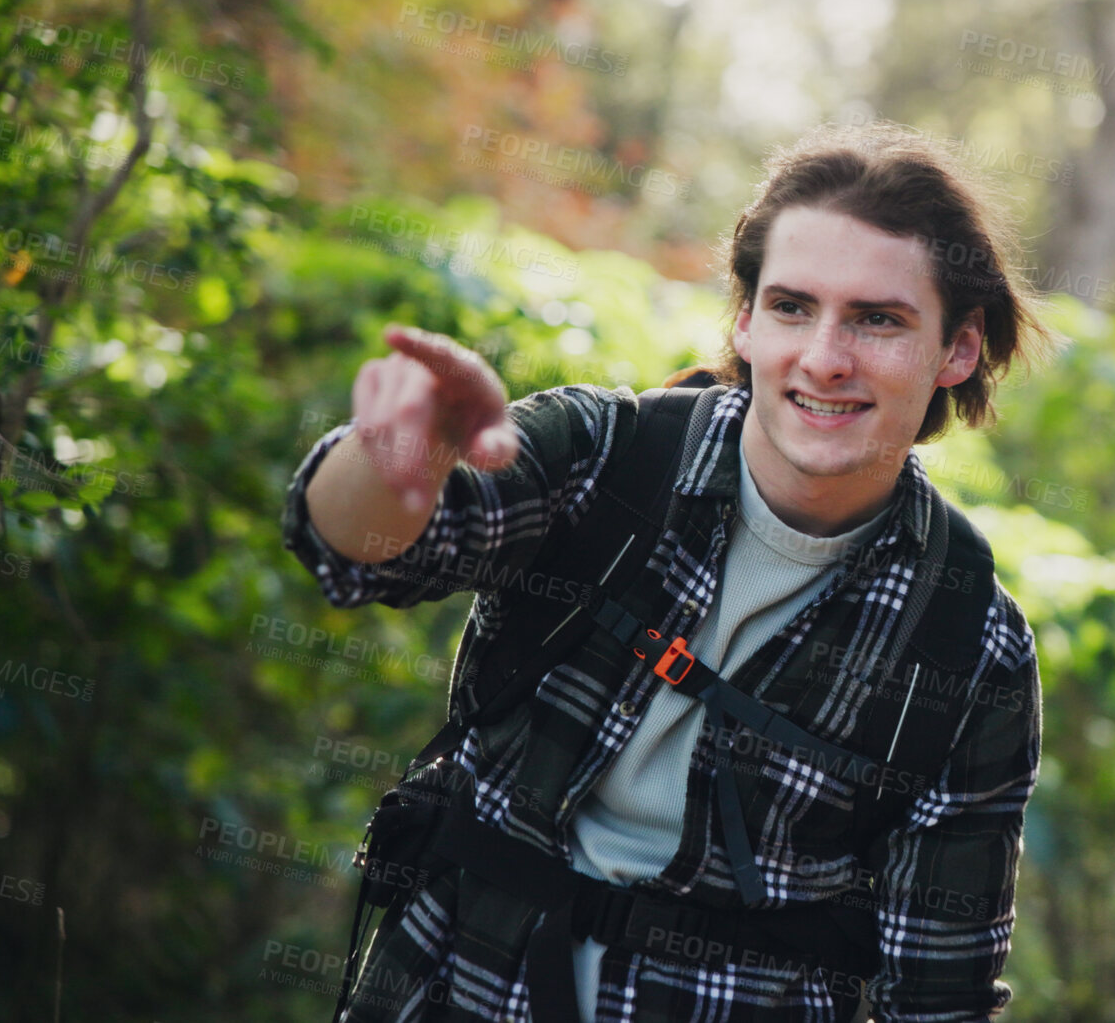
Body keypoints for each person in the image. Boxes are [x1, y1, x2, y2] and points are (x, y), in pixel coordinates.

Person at [282, 123, 1049, 1023]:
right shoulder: (606, 456)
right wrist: (392, 458)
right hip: (456, 986)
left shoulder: (965, 639)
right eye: (792, 307)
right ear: (744, 320)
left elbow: (939, 993)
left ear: (957, 350)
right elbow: (357, 551)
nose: (824, 357)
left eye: (878, 319)